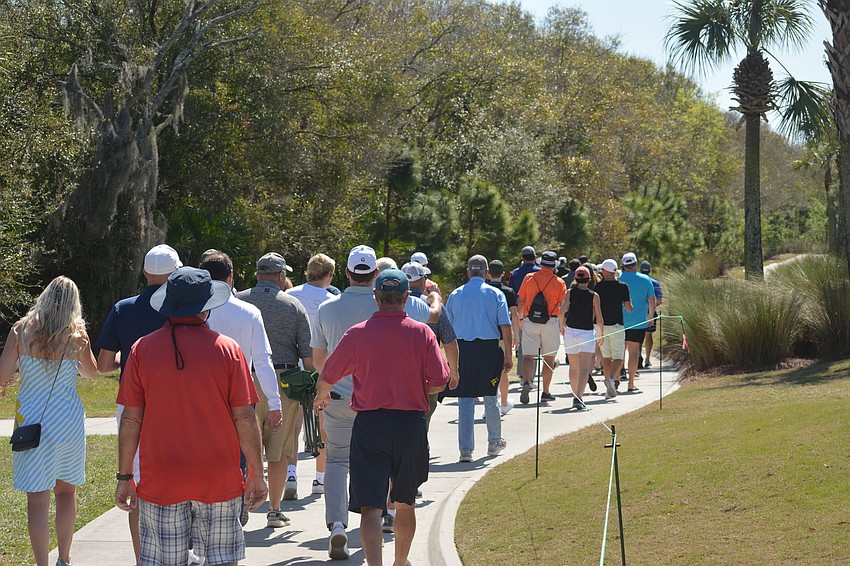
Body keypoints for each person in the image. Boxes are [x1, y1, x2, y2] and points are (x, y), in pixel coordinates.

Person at [115, 267, 268, 566]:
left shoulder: (141, 349)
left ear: (169, 305)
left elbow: (130, 420)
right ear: (207, 307)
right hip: (219, 479)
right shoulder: (229, 350)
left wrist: (125, 477)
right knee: (222, 560)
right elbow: (245, 418)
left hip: (161, 480)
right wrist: (256, 474)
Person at [313, 269, 449, 566]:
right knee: (404, 502)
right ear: (405, 298)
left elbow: (328, 375)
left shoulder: (358, 333)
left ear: (376, 298)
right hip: (409, 425)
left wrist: (322, 396)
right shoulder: (422, 332)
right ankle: (400, 563)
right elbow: (439, 381)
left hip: (370, 424)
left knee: (371, 507)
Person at [0, 276, 97, 566]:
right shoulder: (77, 335)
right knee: (67, 492)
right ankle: (64, 559)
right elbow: (91, 373)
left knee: (38, 499)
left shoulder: (21, 330)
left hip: (31, 421)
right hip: (67, 420)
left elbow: (3, 375)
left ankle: (42, 562)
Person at [94, 243, 181, 564]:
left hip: (132, 406)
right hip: (176, 404)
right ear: (174, 275)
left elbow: (103, 365)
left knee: (138, 490)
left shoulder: (123, 308)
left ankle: (142, 558)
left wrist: (123, 359)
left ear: (145, 273)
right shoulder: (183, 308)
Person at [199, 252, 288, 528]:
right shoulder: (248, 312)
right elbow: (262, 360)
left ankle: (208, 507)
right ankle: (235, 506)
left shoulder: (196, 312)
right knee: (239, 453)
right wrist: (274, 403)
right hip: (240, 393)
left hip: (201, 394)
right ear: (231, 276)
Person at [444, 255, 512, 462]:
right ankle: (494, 441)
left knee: (465, 398)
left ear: (467, 273)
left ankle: (465, 450)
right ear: (486, 273)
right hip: (488, 350)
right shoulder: (495, 293)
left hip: (462, 349)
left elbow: (447, 330)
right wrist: (508, 353)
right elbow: (505, 327)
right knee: (490, 396)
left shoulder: (455, 295)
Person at [285, 253, 336, 495]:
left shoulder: (290, 295)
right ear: (329, 275)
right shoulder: (332, 299)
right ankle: (320, 478)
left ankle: (291, 474)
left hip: (294, 366)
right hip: (323, 368)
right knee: (323, 424)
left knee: (293, 425)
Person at [516, 251, 567, 404]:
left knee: (528, 356)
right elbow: (562, 305)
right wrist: (561, 324)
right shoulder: (559, 282)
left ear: (540, 263)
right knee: (549, 358)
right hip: (550, 321)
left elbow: (520, 300)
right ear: (554, 266)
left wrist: (520, 318)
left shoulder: (529, 278)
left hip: (530, 320)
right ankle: (545, 391)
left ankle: (526, 382)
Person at [561, 266, 605, 409]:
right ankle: (579, 397)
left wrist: (561, 327)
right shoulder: (594, 296)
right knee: (585, 368)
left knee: (573, 367)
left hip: (571, 332)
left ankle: (575, 395)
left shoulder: (569, 293)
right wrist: (601, 334)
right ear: (589, 279)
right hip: (586, 332)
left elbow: (562, 312)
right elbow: (599, 318)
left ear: (576, 278)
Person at [593, 259, 633, 398]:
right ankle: (611, 380)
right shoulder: (623, 286)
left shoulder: (597, 287)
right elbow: (629, 308)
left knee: (606, 357)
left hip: (600, 326)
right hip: (616, 325)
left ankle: (609, 389)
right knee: (619, 357)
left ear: (605, 271)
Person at [618, 253, 656, 392]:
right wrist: (650, 317)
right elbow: (652, 300)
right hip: (638, 322)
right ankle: (631, 383)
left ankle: (617, 377)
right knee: (634, 352)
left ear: (623, 265)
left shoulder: (618, 279)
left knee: (620, 350)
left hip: (619, 322)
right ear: (636, 264)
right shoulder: (645, 279)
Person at [485, 259, 519, 415]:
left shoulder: (484, 291)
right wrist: (516, 336)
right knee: (504, 370)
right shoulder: (509, 292)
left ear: (488, 274)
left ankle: (489, 406)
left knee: (488, 371)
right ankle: (504, 402)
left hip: (487, 335)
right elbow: (514, 315)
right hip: (503, 335)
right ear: (503, 274)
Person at [639, 260, 663, 368]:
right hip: (651, 312)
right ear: (650, 270)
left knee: (637, 335)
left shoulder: (637, 281)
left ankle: (638, 356)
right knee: (648, 335)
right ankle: (647, 359)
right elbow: (659, 300)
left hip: (637, 312)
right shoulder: (655, 283)